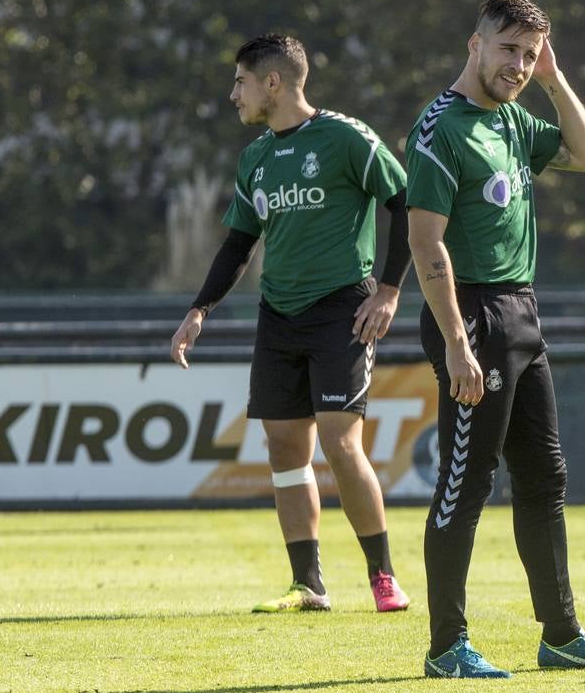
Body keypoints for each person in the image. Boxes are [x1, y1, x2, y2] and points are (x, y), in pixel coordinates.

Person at [405, 0, 585, 678]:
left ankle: (563, 636)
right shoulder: (440, 130)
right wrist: (455, 342)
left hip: (521, 312)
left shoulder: (513, 117)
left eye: (530, 53)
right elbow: (427, 244)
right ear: (473, 44)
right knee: (466, 481)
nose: (519, 64)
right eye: (508, 49)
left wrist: (553, 79)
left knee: (545, 476)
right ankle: (446, 645)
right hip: (472, 315)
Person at [170, 33, 412, 614]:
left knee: (339, 440)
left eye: (239, 82)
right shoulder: (255, 157)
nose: (234, 95)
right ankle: (308, 584)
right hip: (278, 316)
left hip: (340, 310)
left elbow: (404, 200)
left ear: (271, 83)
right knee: (283, 446)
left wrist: (388, 289)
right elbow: (239, 244)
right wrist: (199, 310)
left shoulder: (346, 138)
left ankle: (383, 577)